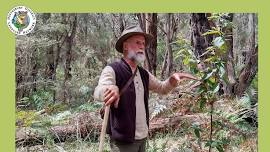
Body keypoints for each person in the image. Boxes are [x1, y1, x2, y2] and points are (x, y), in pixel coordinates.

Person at [94, 25, 198, 152]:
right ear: (125, 46)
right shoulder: (113, 70)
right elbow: (98, 91)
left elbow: (162, 88)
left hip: (142, 138)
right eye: (138, 42)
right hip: (123, 142)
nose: (142, 46)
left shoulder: (143, 74)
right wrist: (110, 89)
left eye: (143, 43)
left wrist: (172, 80)